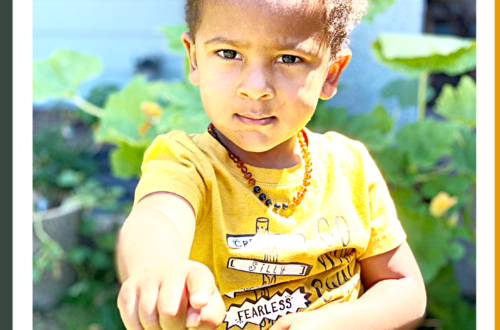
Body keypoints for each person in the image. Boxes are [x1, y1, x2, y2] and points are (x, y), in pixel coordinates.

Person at [115, 0, 427, 329]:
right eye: (228, 53)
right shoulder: (187, 163)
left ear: (330, 73)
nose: (255, 88)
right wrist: (160, 268)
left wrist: (331, 324)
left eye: (289, 58)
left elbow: (404, 288)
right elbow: (157, 216)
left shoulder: (350, 167)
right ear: (194, 59)